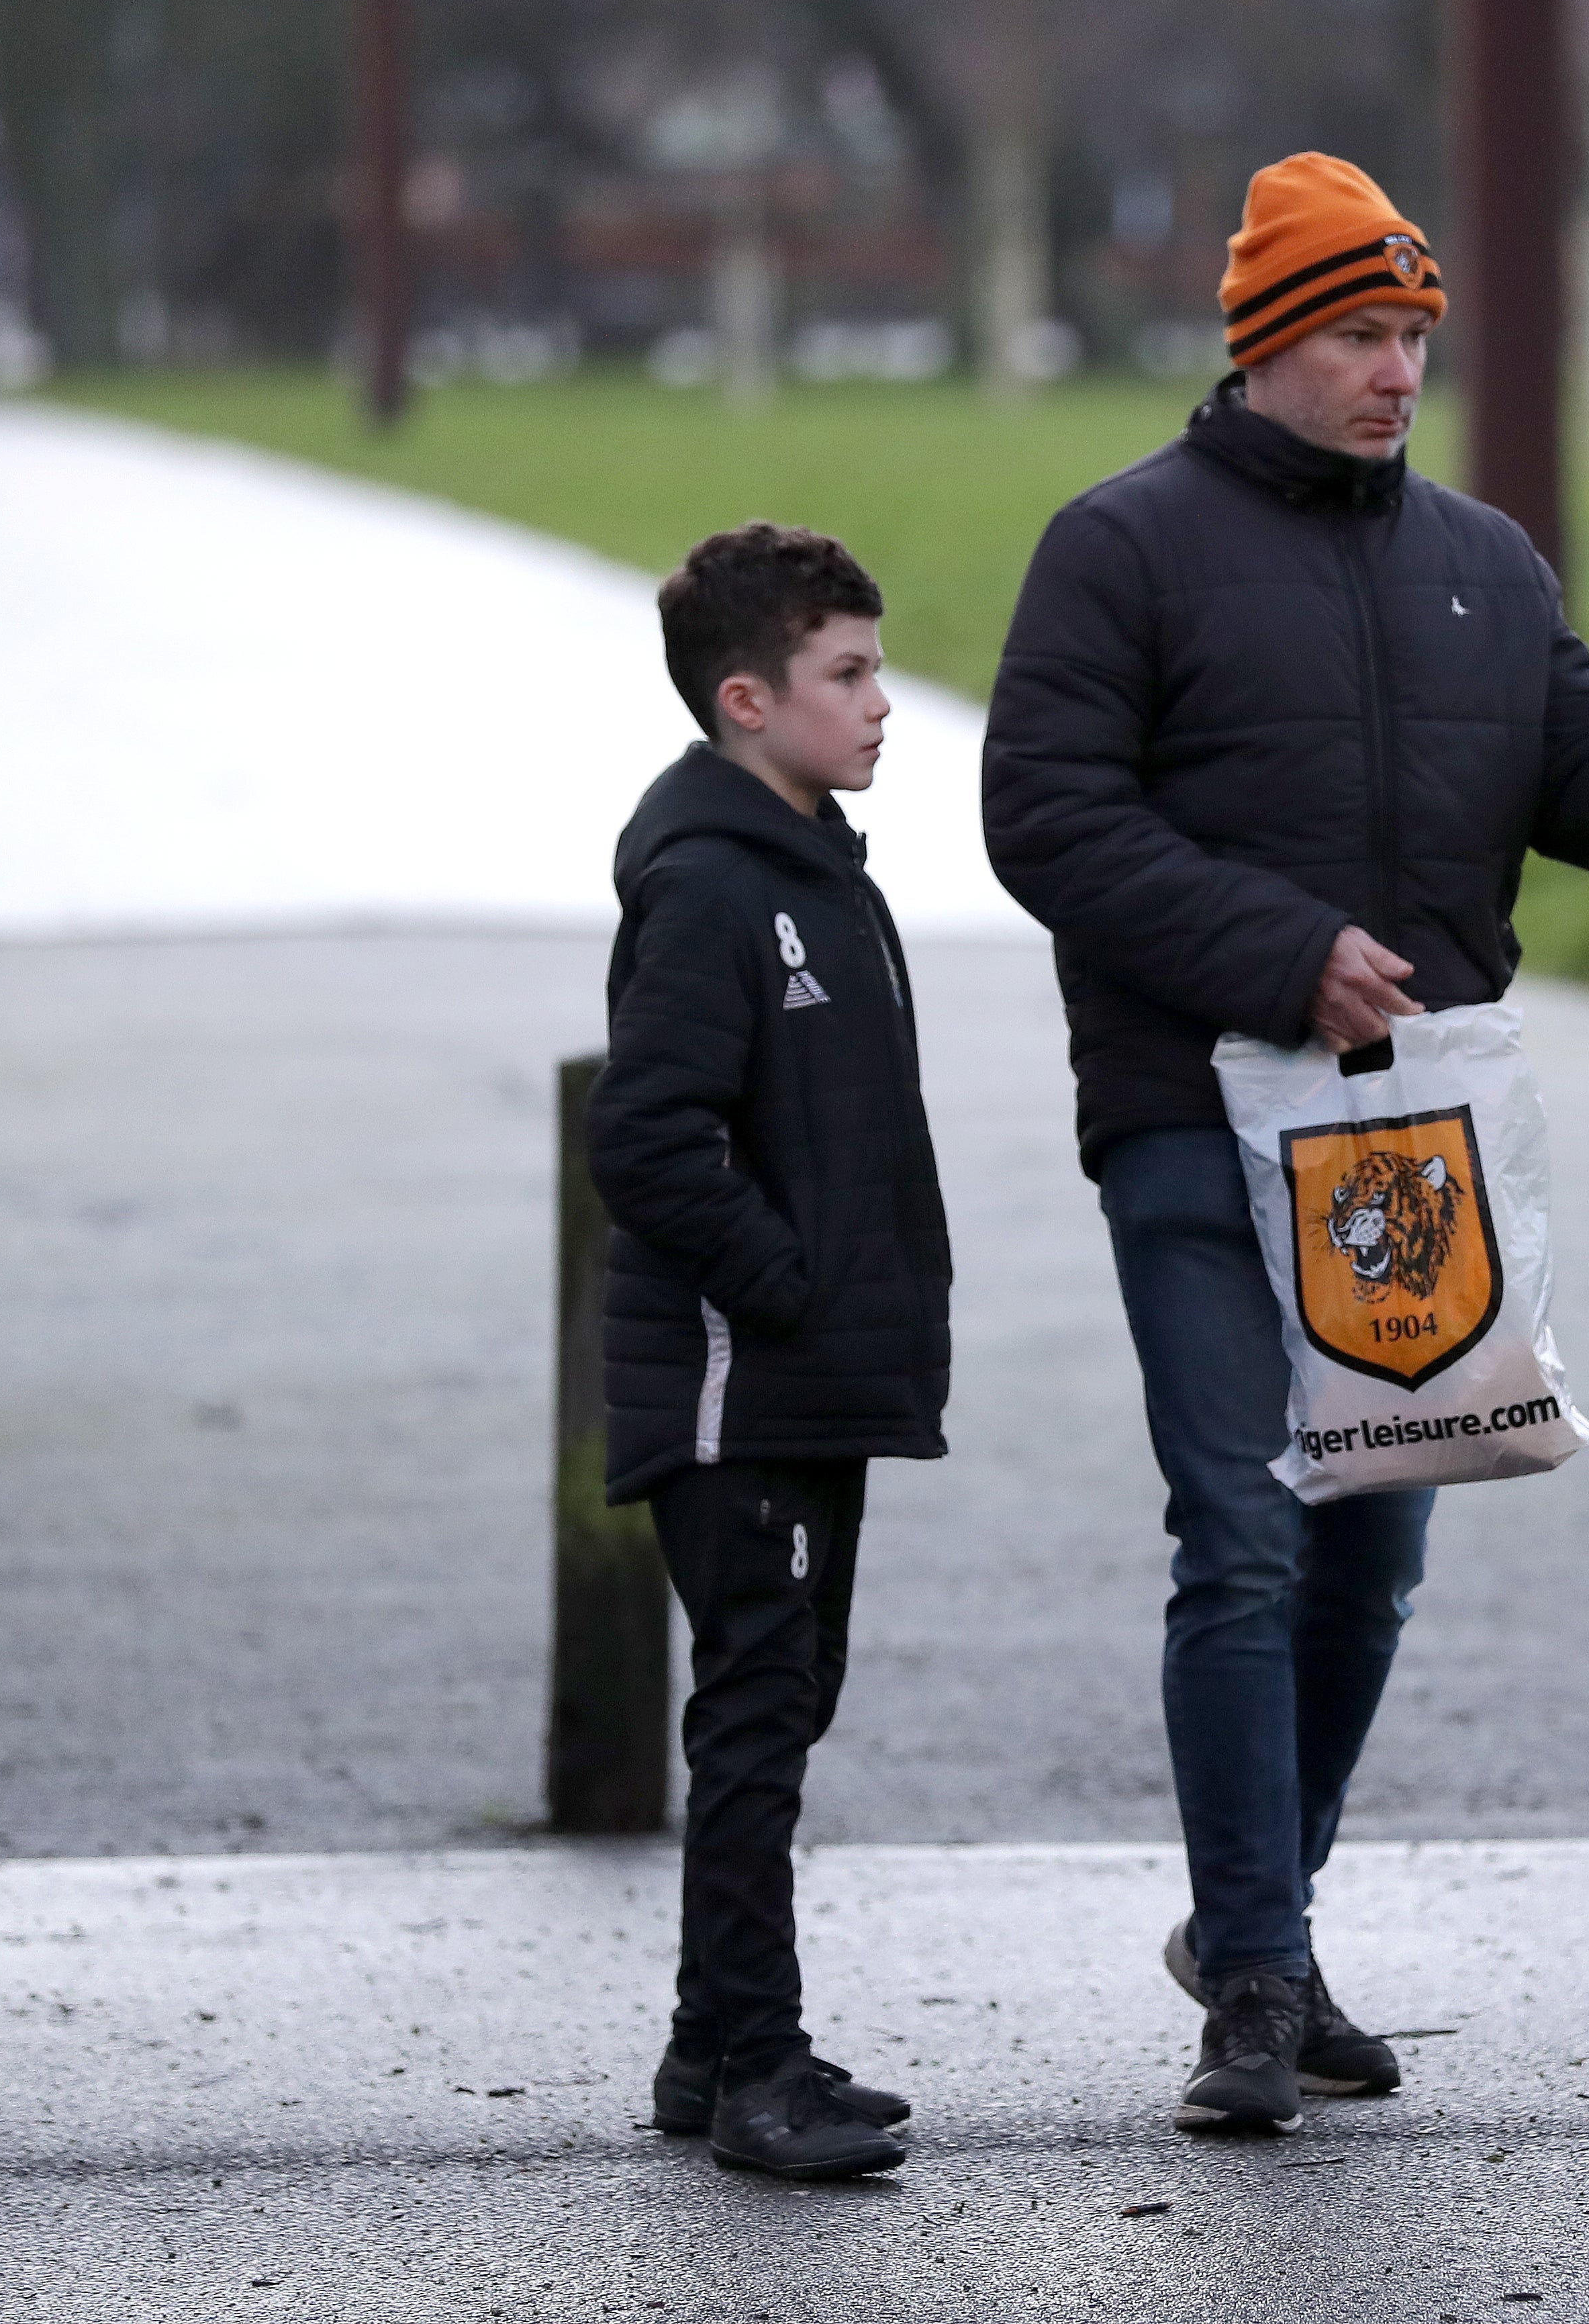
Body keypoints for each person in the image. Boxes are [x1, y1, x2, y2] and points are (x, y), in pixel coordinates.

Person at [983, 151, 1589, 2135]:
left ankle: (1265, 1924)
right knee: (1240, 1529)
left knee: (1370, 1554)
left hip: (1405, 1143)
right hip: (1191, 1119)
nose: (1399, 370)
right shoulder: (1117, 547)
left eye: (1414, 335)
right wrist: (1280, 949)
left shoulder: (1484, 560)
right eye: (1360, 335)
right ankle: (1248, 1977)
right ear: (1266, 343)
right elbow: (1042, 816)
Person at [591, 523, 954, 2182]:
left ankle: (704, 2047)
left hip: (816, 1378)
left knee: (784, 1702)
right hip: (744, 1385)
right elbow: (652, 1137)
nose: (883, 703)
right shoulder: (716, 886)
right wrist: (791, 1286)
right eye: (849, 674)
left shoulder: (823, 870)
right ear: (748, 701)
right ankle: (759, 2074)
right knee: (752, 1715)